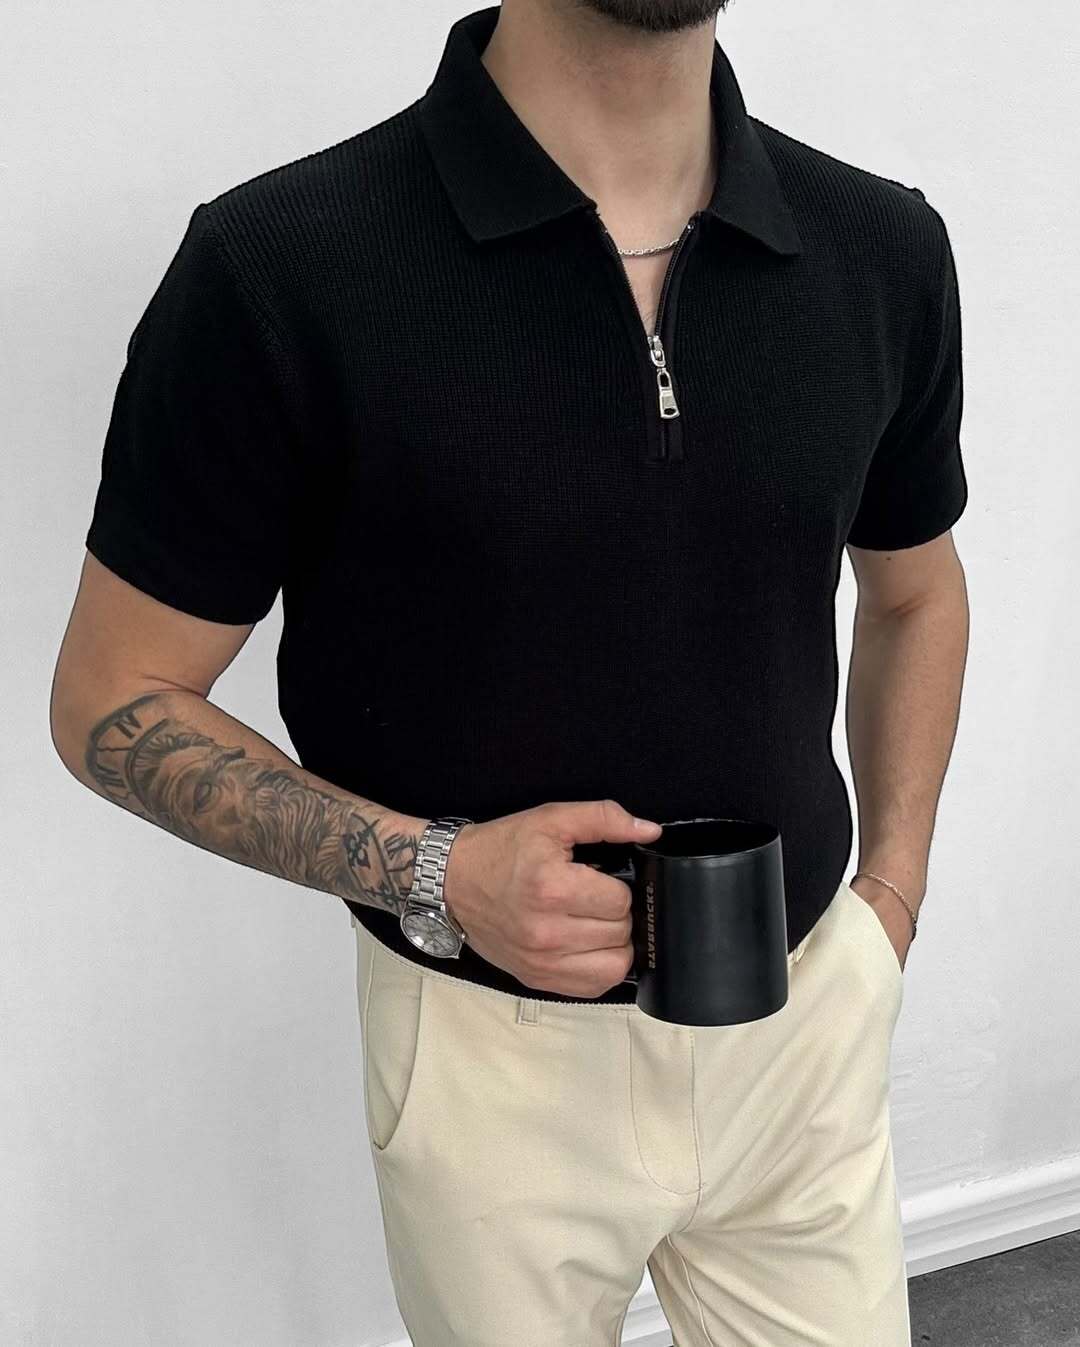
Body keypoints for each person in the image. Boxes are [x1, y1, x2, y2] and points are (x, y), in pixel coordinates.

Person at [51, 1, 969, 1341]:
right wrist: (439, 871)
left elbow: (918, 589)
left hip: (804, 1028)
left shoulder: (880, 248)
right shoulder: (282, 264)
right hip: (488, 1064)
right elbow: (114, 698)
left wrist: (889, 901)